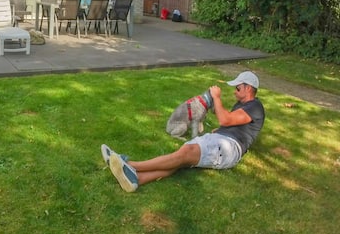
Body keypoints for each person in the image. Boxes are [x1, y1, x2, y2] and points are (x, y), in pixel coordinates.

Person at [102, 71, 265, 193]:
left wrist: (216, 97)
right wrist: (220, 130)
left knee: (185, 153)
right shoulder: (241, 105)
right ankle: (137, 180)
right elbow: (231, 124)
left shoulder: (255, 107)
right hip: (220, 140)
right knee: (180, 160)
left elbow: (226, 120)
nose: (234, 91)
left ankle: (130, 165)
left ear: (248, 88)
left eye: (237, 88)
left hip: (228, 148)